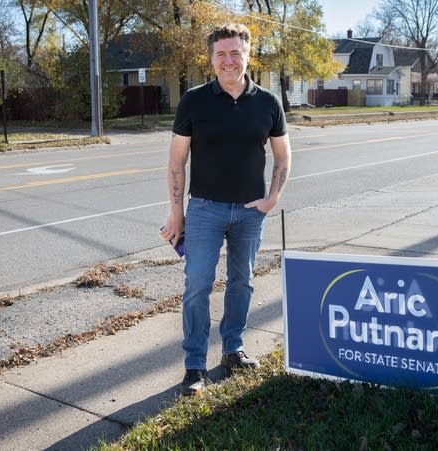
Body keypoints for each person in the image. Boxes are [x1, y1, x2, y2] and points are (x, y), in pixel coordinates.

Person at [160, 23, 291, 396]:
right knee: (198, 284)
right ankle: (195, 365)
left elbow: (283, 156)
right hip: (204, 209)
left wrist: (272, 198)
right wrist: (176, 213)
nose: (229, 60)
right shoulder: (193, 101)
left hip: (250, 212)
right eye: (221, 54)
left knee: (242, 283)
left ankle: (233, 350)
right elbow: (176, 162)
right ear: (211, 58)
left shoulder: (267, 102)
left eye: (236, 53)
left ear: (248, 54)